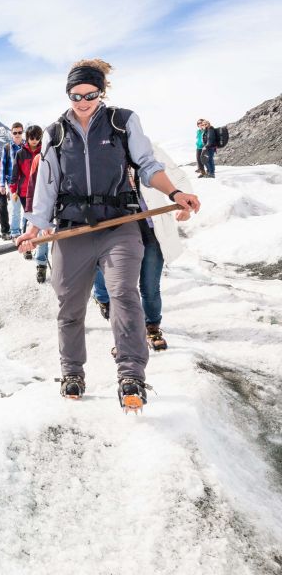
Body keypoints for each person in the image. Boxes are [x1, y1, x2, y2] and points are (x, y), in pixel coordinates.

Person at [15, 59, 201, 412]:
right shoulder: (55, 133)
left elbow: (147, 166)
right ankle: (72, 373)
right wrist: (33, 228)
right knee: (69, 305)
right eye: (75, 95)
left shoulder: (122, 121)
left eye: (90, 94)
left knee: (123, 295)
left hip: (119, 225)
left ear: (101, 92)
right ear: (68, 94)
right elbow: (45, 186)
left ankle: (131, 375)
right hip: (72, 231)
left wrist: (176, 194)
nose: (83, 101)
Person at [92, 145, 193, 351]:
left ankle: (152, 327)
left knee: (149, 286)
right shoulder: (98, 153)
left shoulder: (149, 149)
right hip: (117, 231)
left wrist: (185, 202)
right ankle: (119, 325)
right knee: (117, 286)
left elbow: (178, 178)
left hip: (150, 229)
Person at [10, 125, 47, 282]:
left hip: (43, 193)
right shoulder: (20, 153)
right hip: (25, 193)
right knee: (30, 222)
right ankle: (27, 247)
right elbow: (15, 173)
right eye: (31, 137)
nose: (34, 140)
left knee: (43, 226)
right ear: (27, 137)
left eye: (37, 137)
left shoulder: (45, 152)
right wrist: (13, 190)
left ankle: (41, 264)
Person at [0, 123, 26, 238]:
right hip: (13, 184)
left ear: (22, 133)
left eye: (19, 132)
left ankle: (26, 231)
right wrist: (2, 185)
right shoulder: (7, 148)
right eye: (15, 132)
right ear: (11, 133)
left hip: (26, 184)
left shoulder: (27, 147)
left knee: (28, 210)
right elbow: (2, 166)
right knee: (16, 209)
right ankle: (15, 232)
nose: (17, 135)